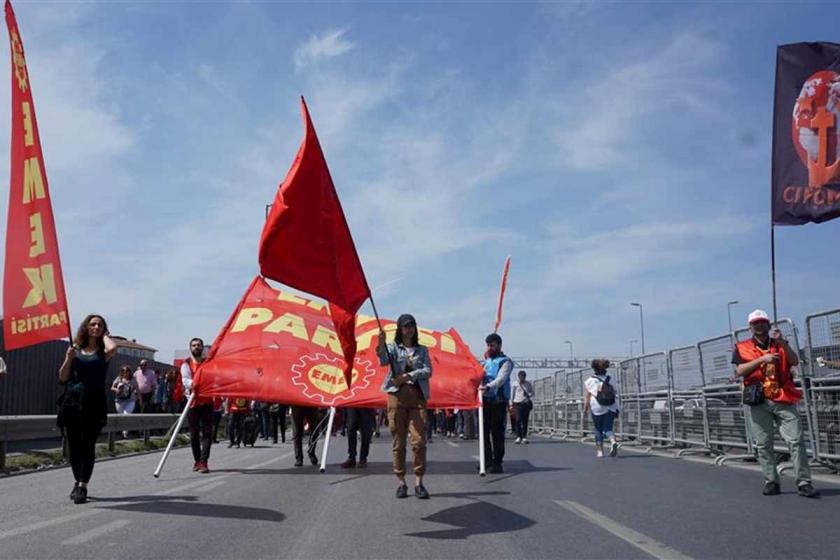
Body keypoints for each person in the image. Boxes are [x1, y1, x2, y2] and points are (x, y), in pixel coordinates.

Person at [732, 309, 819, 498]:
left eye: (763, 322)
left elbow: (794, 361)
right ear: (750, 327)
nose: (760, 326)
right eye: (756, 323)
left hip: (783, 396)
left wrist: (783, 343)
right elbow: (739, 371)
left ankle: (803, 481)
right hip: (758, 399)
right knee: (763, 443)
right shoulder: (742, 347)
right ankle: (771, 481)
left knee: (795, 439)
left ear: (769, 324)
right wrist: (762, 359)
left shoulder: (780, 344)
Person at [58, 314, 118, 504]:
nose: (96, 327)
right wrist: (68, 359)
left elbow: (113, 348)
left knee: (88, 445)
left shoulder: (103, 352)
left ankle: (83, 485)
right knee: (74, 447)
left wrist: (104, 335)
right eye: (92, 324)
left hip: (94, 403)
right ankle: (77, 481)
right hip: (72, 403)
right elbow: (62, 377)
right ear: (86, 326)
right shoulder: (75, 350)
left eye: (100, 325)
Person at [377, 314, 433, 499]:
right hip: (397, 396)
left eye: (412, 326)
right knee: (399, 442)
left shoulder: (422, 350)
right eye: (405, 326)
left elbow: (427, 370)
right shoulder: (393, 348)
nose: (409, 329)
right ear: (400, 329)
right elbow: (384, 361)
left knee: (418, 441)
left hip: (417, 397)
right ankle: (401, 481)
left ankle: (419, 481)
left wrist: (408, 376)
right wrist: (381, 344)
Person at [480, 333, 513, 474]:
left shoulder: (506, 362)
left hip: (498, 402)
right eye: (488, 345)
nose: (489, 348)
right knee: (483, 432)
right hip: (484, 401)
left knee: (497, 433)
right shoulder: (485, 362)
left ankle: (497, 462)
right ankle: (486, 461)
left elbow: (501, 379)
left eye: (492, 345)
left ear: (499, 345)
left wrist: (488, 387)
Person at [180, 337, 213, 473]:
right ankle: (197, 460)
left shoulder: (208, 363)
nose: (196, 347)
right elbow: (185, 380)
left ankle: (204, 461)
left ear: (202, 347)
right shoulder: (186, 364)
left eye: (198, 345)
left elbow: (213, 377)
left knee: (207, 433)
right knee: (194, 434)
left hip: (206, 402)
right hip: (192, 402)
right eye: (194, 345)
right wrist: (194, 384)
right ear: (190, 348)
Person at [584, 359, 620, 458]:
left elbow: (588, 396)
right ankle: (613, 441)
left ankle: (600, 451)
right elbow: (615, 392)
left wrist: (585, 408)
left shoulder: (590, 380)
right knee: (608, 428)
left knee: (598, 429)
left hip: (597, 406)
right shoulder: (611, 379)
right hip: (611, 406)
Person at [111, 366, 138, 438]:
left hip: (130, 400)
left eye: (127, 371)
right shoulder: (119, 379)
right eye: (123, 371)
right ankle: (121, 431)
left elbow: (137, 389)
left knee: (126, 414)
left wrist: (139, 398)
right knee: (120, 415)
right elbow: (112, 387)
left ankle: (125, 433)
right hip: (119, 400)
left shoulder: (133, 379)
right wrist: (116, 389)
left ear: (129, 372)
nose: (125, 373)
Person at [511, 370, 534, 444]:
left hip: (525, 403)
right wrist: (511, 403)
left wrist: (529, 395)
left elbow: (532, 392)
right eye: (521, 377)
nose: (522, 378)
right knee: (518, 420)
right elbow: (512, 394)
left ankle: (524, 437)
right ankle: (518, 436)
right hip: (517, 403)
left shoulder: (528, 384)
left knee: (525, 421)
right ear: (518, 377)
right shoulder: (515, 384)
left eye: (523, 377)